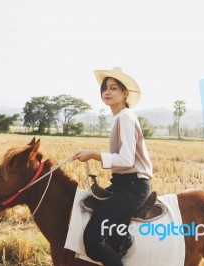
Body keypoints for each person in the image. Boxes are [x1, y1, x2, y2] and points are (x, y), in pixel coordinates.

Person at [73, 67, 153, 266]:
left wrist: (92, 154)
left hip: (132, 187)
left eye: (114, 88)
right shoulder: (120, 117)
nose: (107, 92)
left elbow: (126, 160)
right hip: (122, 185)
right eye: (105, 88)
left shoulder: (125, 117)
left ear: (125, 93)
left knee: (93, 240)